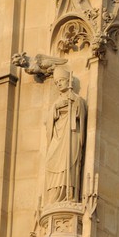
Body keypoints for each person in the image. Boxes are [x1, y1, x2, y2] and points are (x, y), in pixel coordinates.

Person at [45, 69, 86, 202]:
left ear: (69, 81)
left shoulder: (76, 99)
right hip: (57, 136)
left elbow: (81, 114)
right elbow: (47, 121)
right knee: (53, 161)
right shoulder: (55, 103)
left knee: (70, 160)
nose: (59, 84)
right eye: (56, 82)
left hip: (71, 133)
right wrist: (57, 108)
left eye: (61, 81)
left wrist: (73, 102)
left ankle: (70, 192)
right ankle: (55, 194)